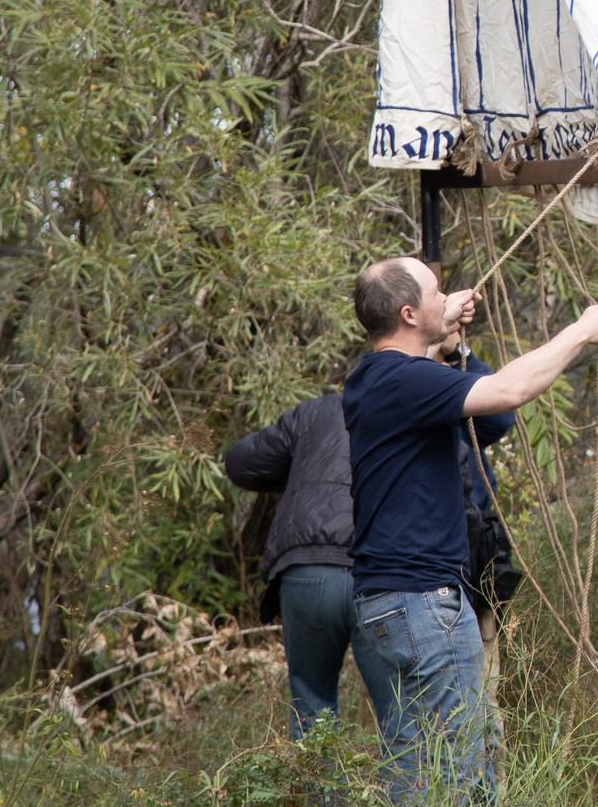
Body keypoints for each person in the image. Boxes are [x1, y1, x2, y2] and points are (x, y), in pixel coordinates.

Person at [344, 254, 598, 805]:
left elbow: (489, 423)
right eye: (437, 293)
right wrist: (581, 332)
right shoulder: (403, 379)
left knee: (415, 775)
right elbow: (510, 393)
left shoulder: (382, 378)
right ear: (409, 314)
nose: (448, 299)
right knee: (460, 777)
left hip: (389, 602)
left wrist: (452, 348)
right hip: (422, 602)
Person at [221, 298, 516, 739]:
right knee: (403, 712)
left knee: (311, 705)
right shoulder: (430, 411)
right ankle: (404, 804)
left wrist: (305, 473)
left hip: (308, 570)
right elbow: (497, 414)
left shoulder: (320, 412)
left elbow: (242, 462)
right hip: (377, 573)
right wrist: (457, 356)